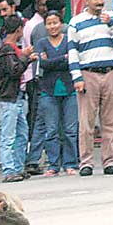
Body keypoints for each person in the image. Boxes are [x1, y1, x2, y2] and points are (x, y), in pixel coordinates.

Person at [68, 0, 113, 176]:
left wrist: (110, 23)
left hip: (110, 71)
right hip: (88, 74)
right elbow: (73, 52)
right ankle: (86, 162)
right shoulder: (76, 22)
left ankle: (110, 161)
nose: (100, 2)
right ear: (86, 0)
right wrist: (77, 77)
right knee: (86, 121)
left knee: (111, 120)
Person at [34, 10, 79, 176]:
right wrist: (62, 58)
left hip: (69, 89)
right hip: (48, 90)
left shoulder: (69, 41)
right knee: (51, 130)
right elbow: (44, 64)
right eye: (49, 23)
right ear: (45, 26)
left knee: (70, 129)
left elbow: (72, 61)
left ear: (61, 23)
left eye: (55, 22)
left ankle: (70, 163)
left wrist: (55, 61)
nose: (52, 26)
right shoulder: (41, 43)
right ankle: (53, 165)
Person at [0, 16, 36, 183]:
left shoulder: (9, 49)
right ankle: (9, 170)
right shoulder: (8, 50)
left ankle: (18, 167)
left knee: (21, 133)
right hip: (9, 97)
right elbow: (15, 70)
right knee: (9, 135)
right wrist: (26, 58)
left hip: (15, 96)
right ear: (18, 30)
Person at [23, 0, 50, 175]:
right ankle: (33, 158)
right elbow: (30, 52)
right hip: (35, 77)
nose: (45, 8)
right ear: (36, 6)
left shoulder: (47, 24)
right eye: (42, 4)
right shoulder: (32, 26)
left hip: (42, 76)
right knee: (38, 119)